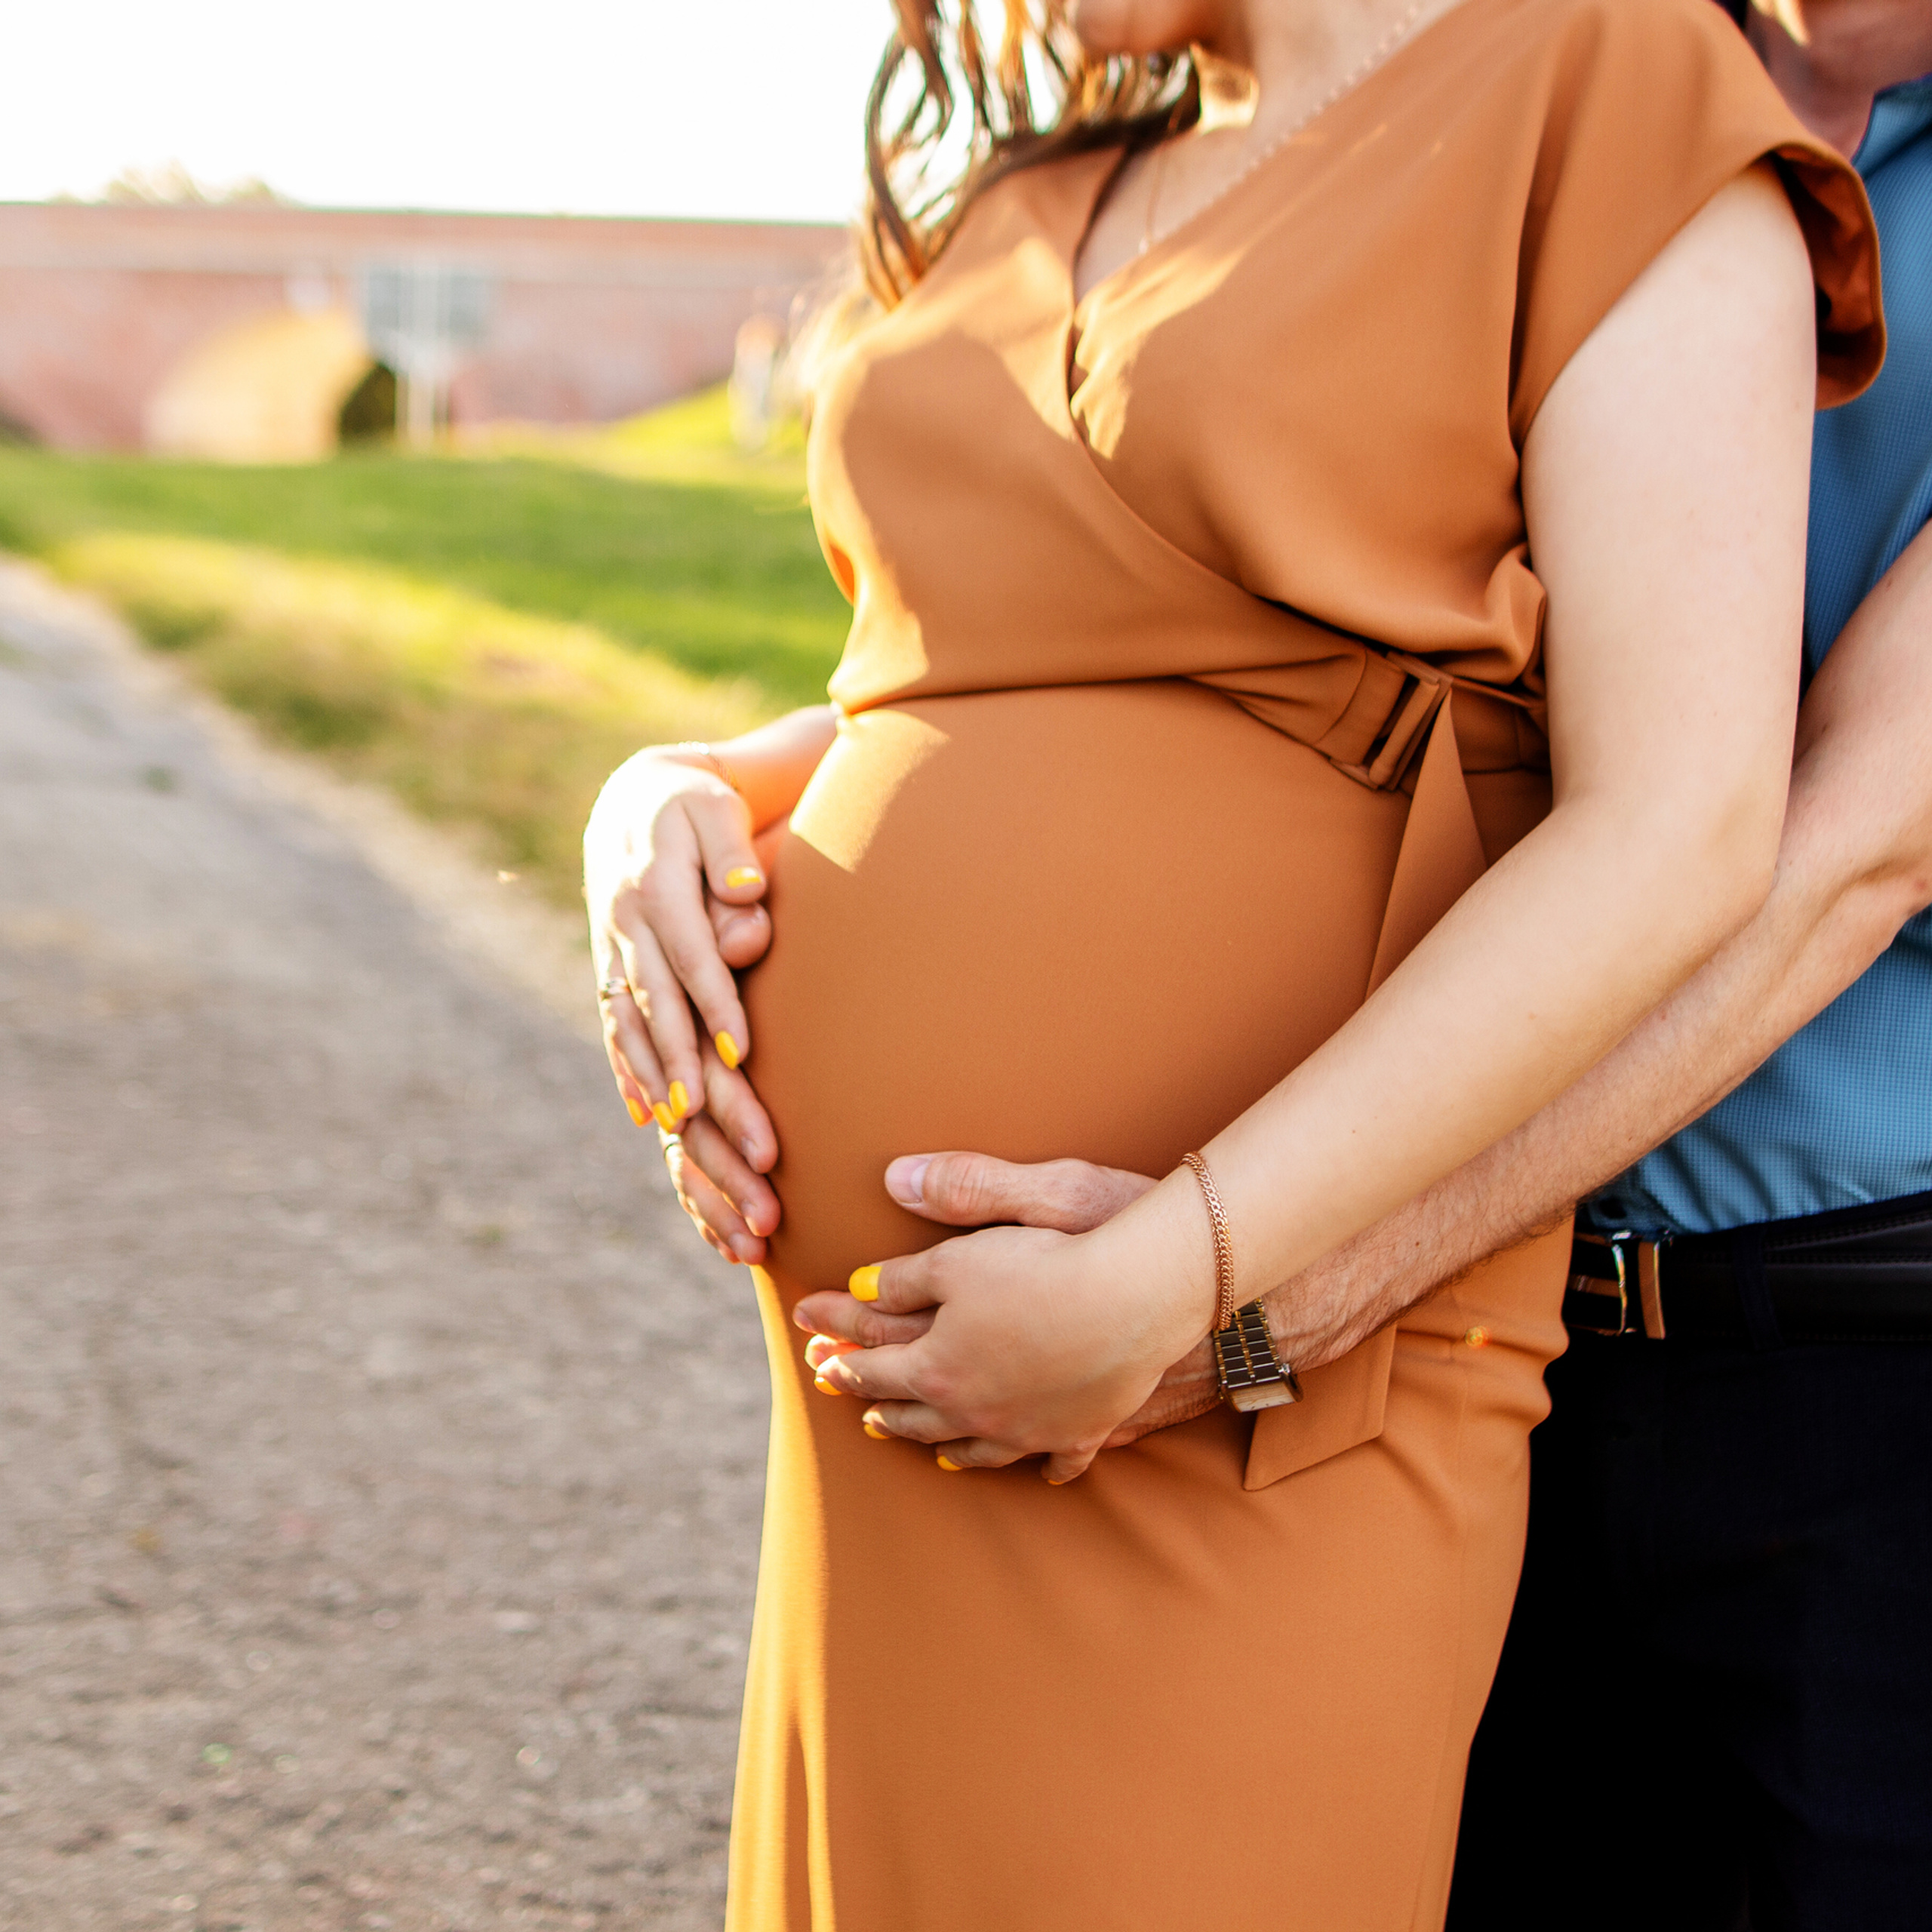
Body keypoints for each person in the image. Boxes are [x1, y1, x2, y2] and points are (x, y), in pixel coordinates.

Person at [582, 0, 1878, 1924]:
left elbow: (1677, 820)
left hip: (1270, 1366)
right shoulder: (1050, 182)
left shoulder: (1605, 87)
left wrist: (1186, 1271)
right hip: (891, 1405)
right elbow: (954, 685)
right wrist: (666, 795)